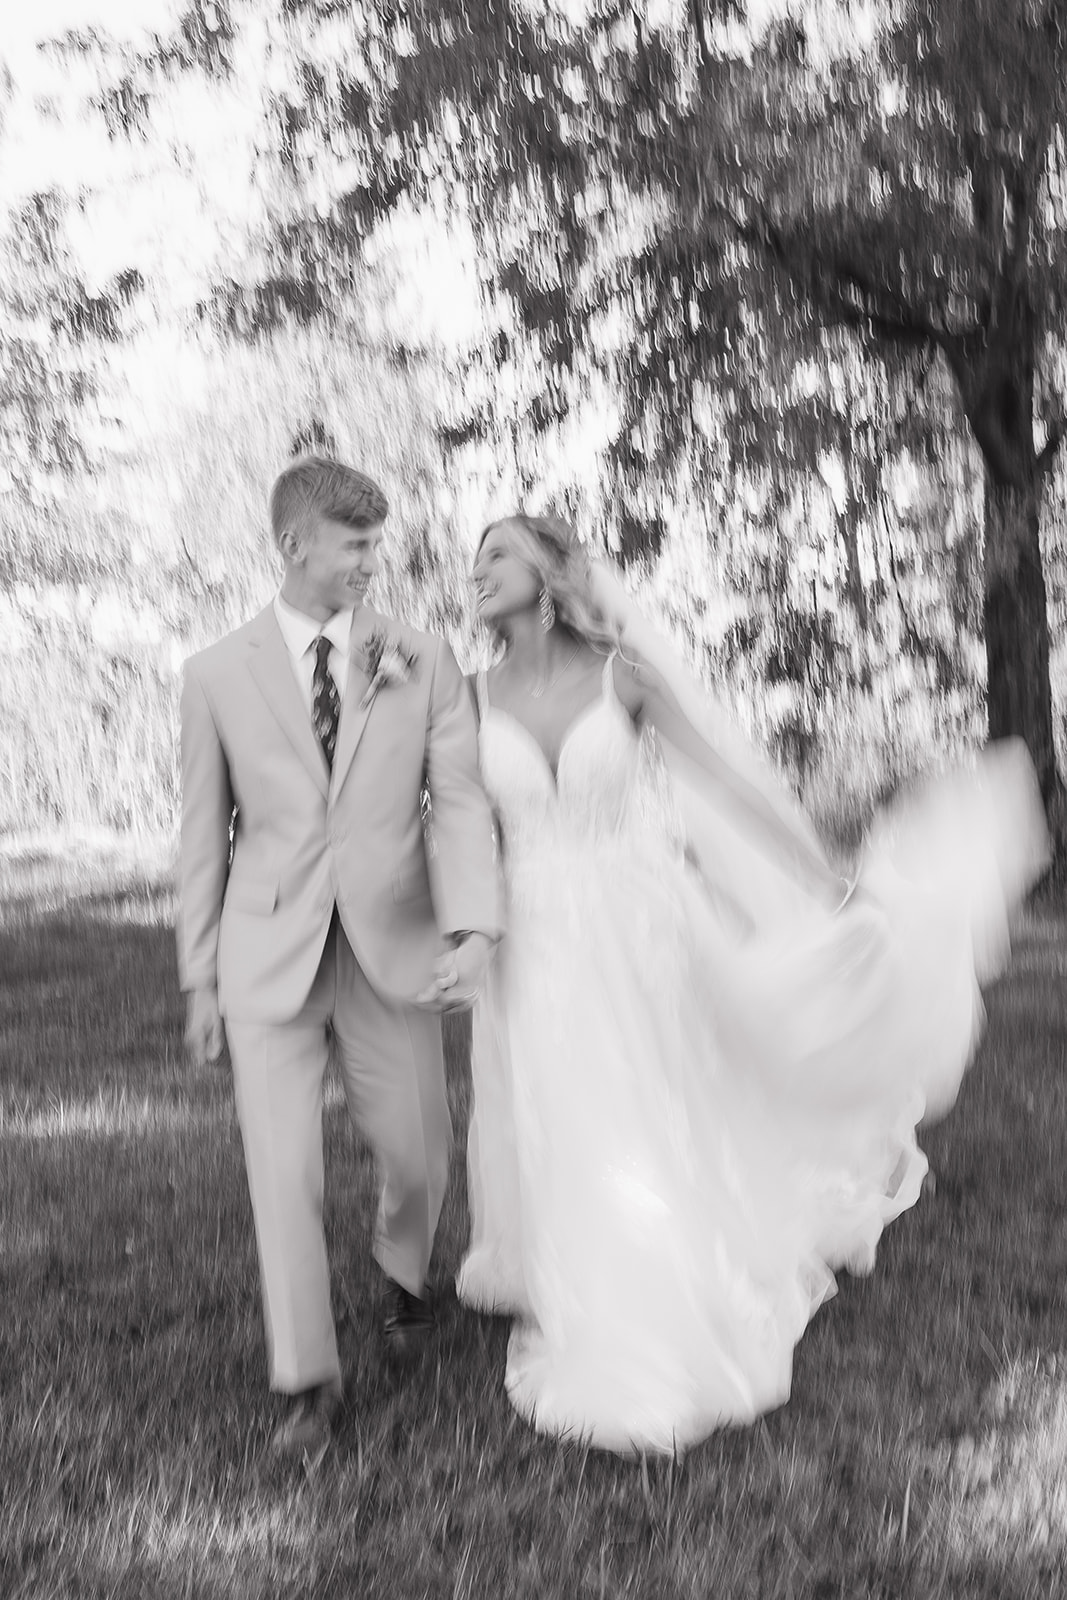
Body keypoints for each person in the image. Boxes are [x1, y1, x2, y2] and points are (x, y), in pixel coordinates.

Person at [457, 511, 1049, 1456]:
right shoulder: (466, 696)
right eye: (473, 557)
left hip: (638, 923)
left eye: (495, 552)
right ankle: (576, 1269)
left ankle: (657, 1298)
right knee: (559, 1109)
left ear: (547, 570)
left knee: (641, 1102)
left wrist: (823, 878)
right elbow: (450, 820)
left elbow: (724, 784)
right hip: (533, 942)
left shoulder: (625, 677)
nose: (475, 568)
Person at [177, 456, 503, 1467]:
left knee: (415, 1147)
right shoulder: (213, 675)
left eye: (376, 541)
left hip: (390, 940)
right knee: (282, 1174)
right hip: (265, 948)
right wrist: (199, 978)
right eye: (355, 544)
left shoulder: (421, 656)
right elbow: (200, 837)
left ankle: (405, 1276)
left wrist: (473, 926)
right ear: (295, 546)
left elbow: (456, 800)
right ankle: (308, 1382)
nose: (373, 560)